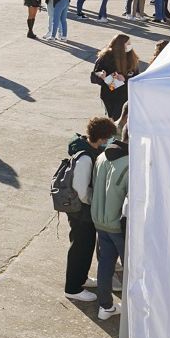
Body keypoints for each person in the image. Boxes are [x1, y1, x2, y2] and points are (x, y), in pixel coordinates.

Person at [61, 117, 118, 302]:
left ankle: (82, 278)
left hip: (82, 210)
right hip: (81, 211)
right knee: (80, 248)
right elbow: (81, 189)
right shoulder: (86, 157)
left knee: (85, 246)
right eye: (108, 138)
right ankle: (73, 288)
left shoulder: (88, 148)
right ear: (101, 138)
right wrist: (96, 201)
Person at [91, 126, 129, 320]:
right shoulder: (130, 164)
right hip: (119, 225)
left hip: (99, 221)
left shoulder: (101, 157)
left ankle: (105, 306)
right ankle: (131, 308)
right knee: (130, 267)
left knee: (105, 264)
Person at [91, 34, 140, 120]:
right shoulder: (105, 57)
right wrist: (101, 76)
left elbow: (136, 78)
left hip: (126, 95)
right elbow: (94, 77)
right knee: (114, 118)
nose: (130, 46)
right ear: (120, 45)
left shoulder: (131, 57)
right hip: (110, 96)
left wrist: (125, 79)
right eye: (127, 44)